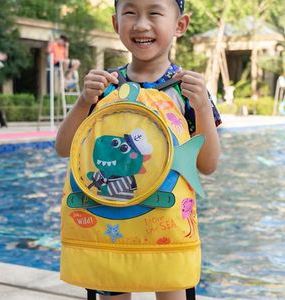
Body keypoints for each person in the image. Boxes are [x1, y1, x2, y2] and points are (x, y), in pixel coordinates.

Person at [56, 0, 221, 299]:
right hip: (108, 225)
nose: (142, 24)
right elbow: (65, 148)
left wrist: (202, 109)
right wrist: (83, 100)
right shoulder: (105, 86)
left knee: (172, 291)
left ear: (180, 25)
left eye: (155, 12)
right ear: (116, 23)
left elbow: (208, 165)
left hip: (165, 230)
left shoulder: (187, 89)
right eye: (130, 12)